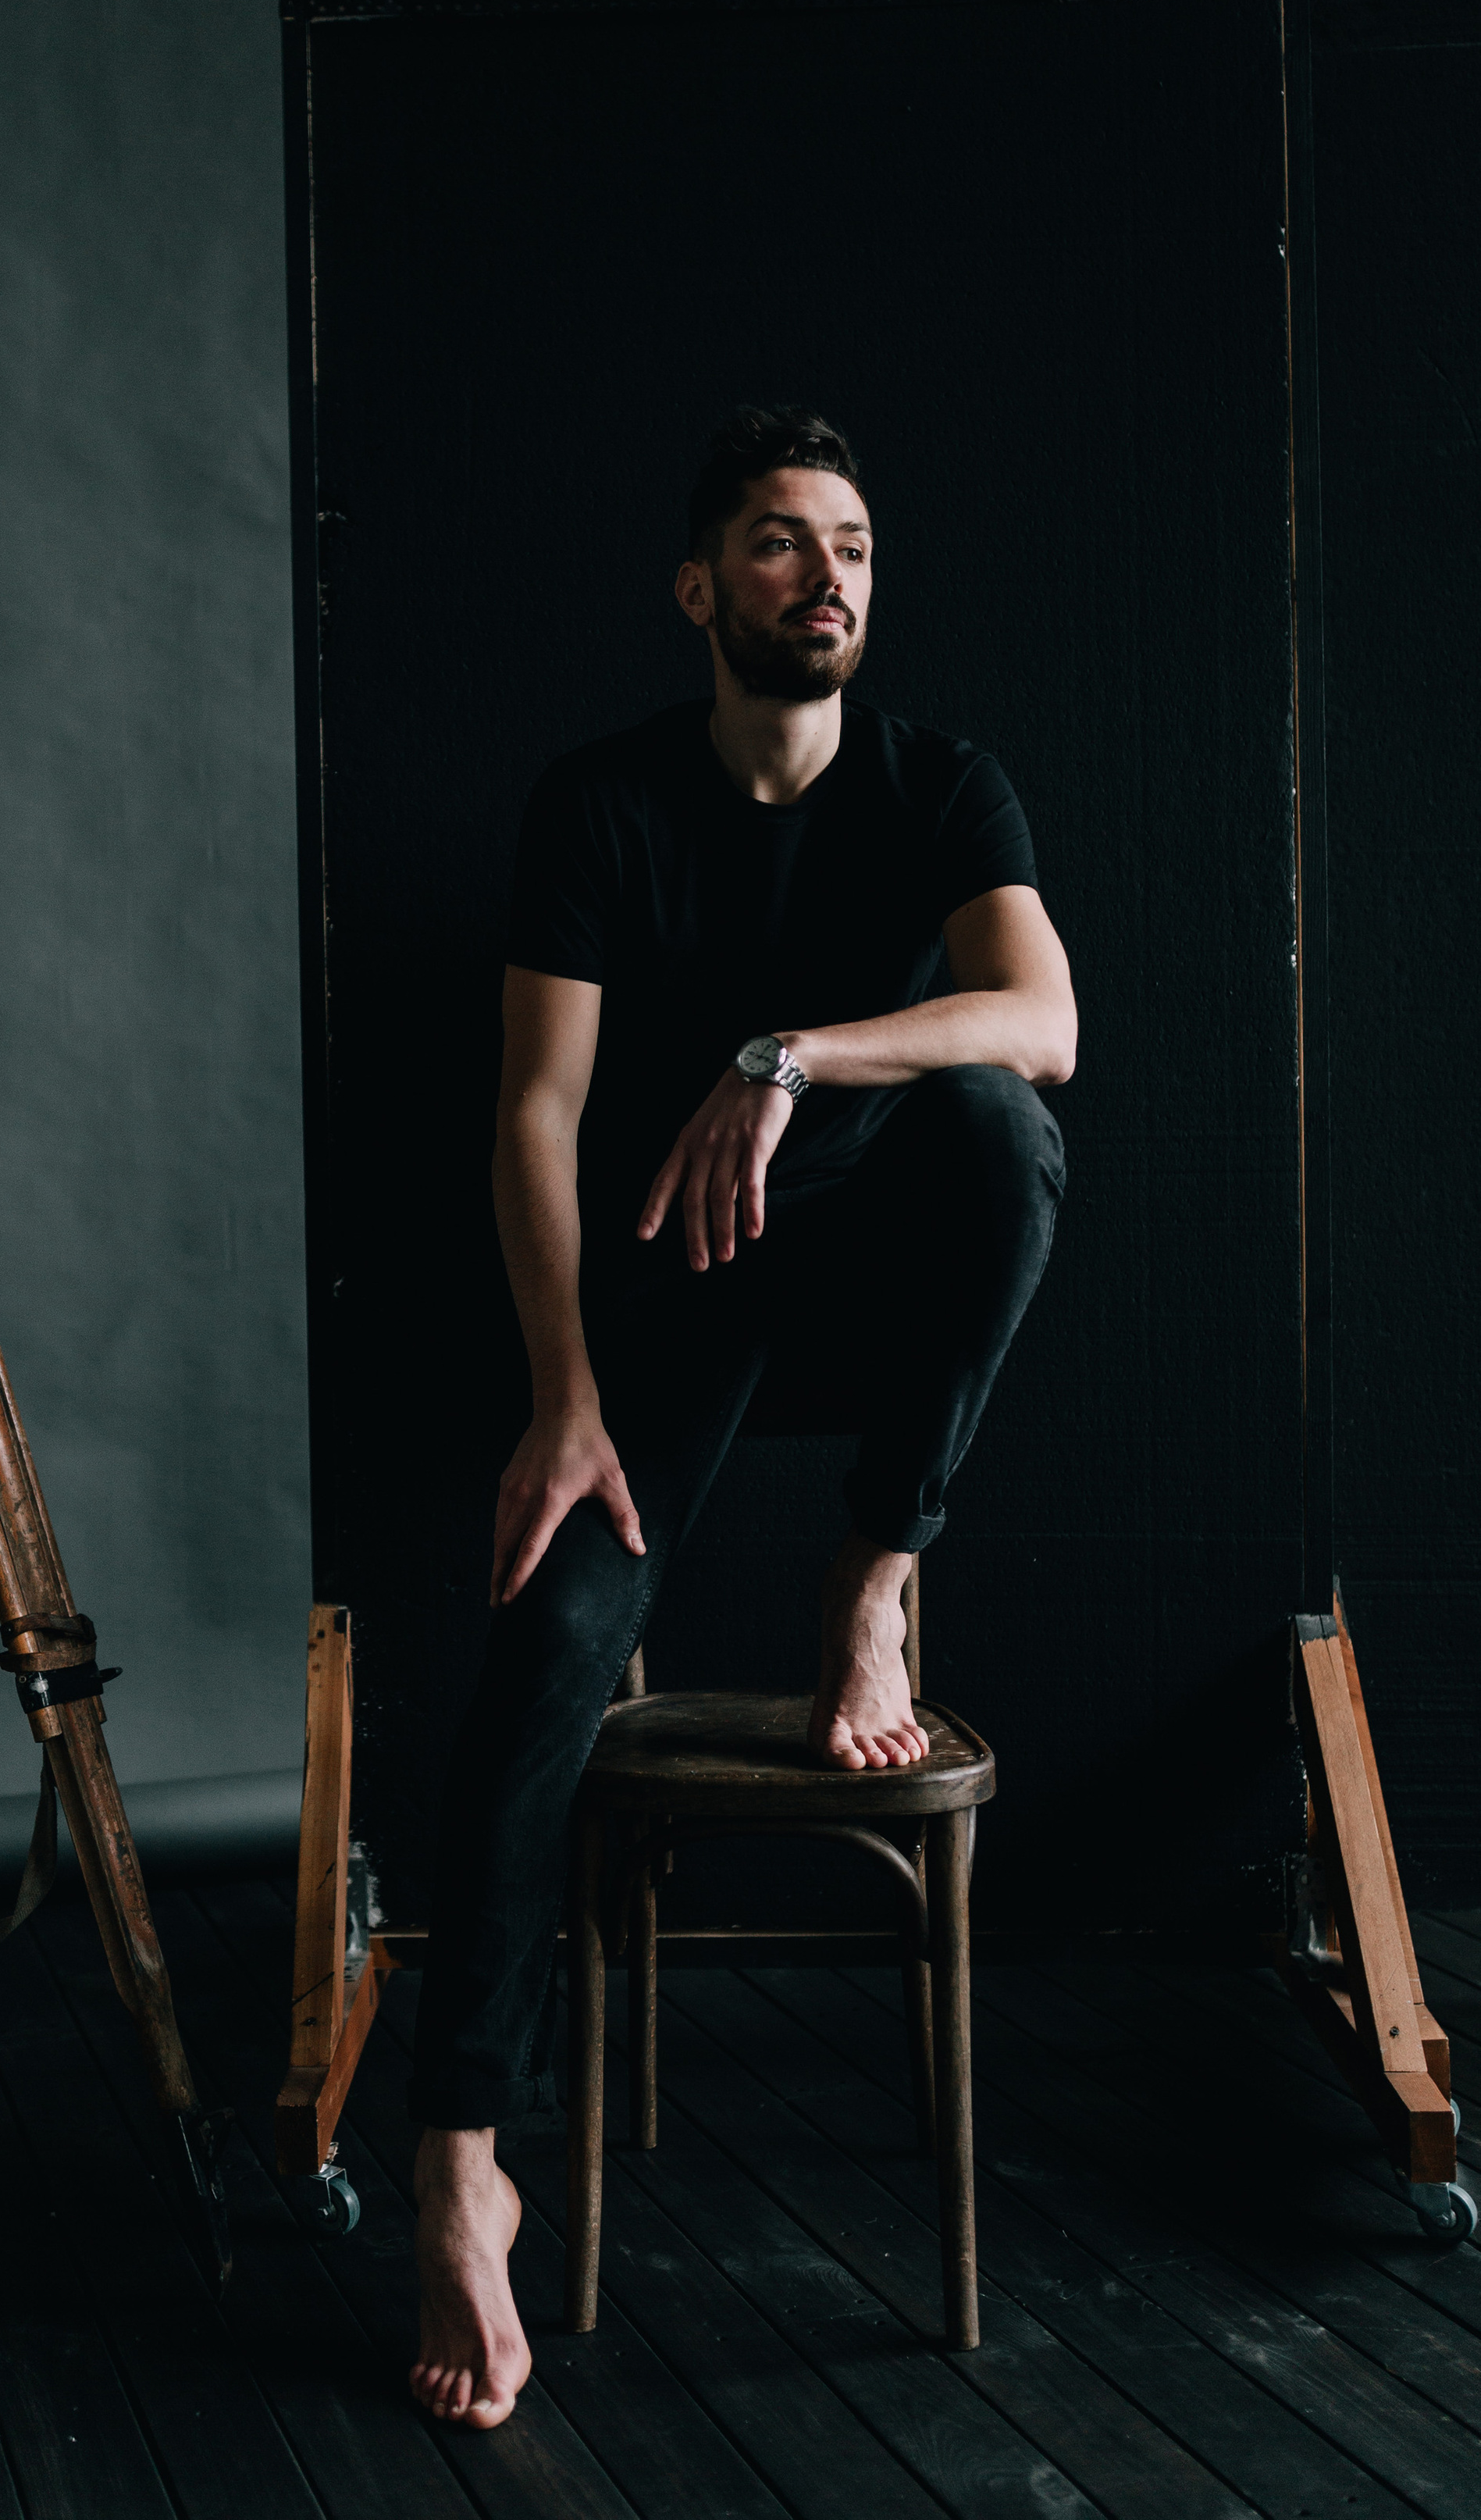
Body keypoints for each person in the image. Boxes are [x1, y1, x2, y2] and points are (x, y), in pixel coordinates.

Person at [407, 405, 1077, 2429]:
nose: (828, 575)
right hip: (658, 1288)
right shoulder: (601, 799)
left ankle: (877, 1571)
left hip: (875, 1277)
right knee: (542, 1650)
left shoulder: (942, 784)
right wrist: (561, 1399)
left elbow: (1044, 1022)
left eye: (854, 541)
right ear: (701, 588)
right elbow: (531, 1110)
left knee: (993, 1126)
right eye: (782, 543)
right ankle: (458, 2172)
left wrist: (789, 1054)